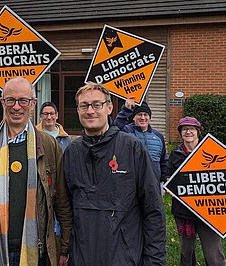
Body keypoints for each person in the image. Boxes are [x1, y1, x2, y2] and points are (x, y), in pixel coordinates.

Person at [0, 76, 72, 266]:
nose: (16, 107)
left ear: (33, 104)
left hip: (37, 251)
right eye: (10, 100)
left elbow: (61, 201)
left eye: (23, 100)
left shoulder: (49, 145)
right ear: (2, 102)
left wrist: (64, 247)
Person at [64, 82, 166, 265]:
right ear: (78, 110)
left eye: (97, 104)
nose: (90, 111)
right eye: (84, 106)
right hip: (82, 258)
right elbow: (66, 210)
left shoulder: (132, 148)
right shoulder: (72, 152)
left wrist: (154, 261)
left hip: (123, 257)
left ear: (109, 107)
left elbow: (153, 210)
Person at [169, 116, 226, 266]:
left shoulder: (212, 151)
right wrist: (171, 187)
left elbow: (225, 177)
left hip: (208, 210)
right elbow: (169, 177)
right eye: (184, 129)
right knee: (186, 252)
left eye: (192, 129)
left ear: (198, 132)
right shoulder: (175, 154)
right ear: (181, 133)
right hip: (183, 210)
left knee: (213, 253)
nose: (188, 132)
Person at [115, 97, 168, 187]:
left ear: (149, 118)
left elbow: (163, 160)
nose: (143, 118)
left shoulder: (158, 136)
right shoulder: (126, 131)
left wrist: (163, 180)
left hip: (153, 183)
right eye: (139, 114)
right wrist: (126, 109)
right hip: (131, 183)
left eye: (145, 115)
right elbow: (117, 126)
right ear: (133, 118)